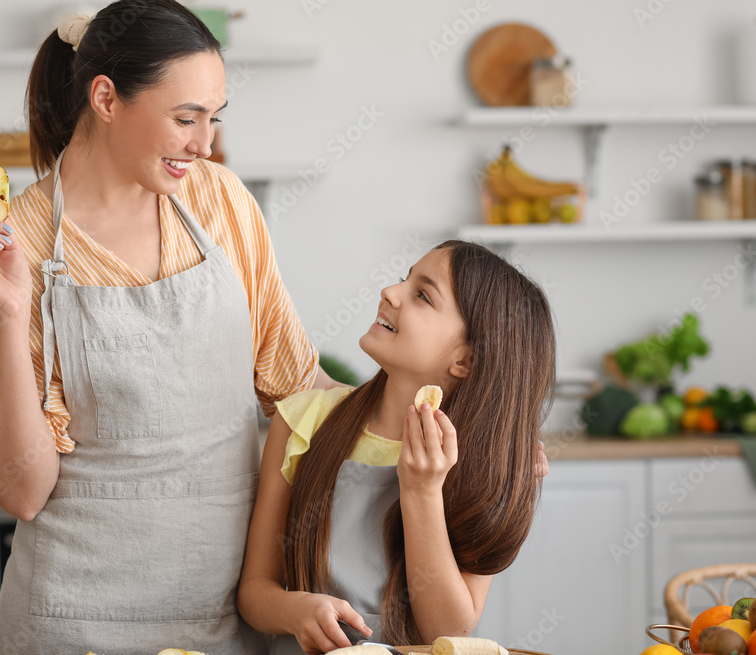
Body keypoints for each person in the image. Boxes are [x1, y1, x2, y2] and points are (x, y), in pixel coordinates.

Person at [0, 0, 346, 654]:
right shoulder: (14, 244)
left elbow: (300, 389)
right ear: (106, 99)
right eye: (185, 118)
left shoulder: (222, 202)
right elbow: (21, 489)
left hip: (224, 619)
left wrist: (466, 435)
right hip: (71, 624)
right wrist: (12, 308)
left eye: (213, 118)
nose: (205, 142)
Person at [237, 240, 556, 654]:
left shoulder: (486, 468)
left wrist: (422, 490)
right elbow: (253, 591)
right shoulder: (302, 422)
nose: (390, 291)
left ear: (465, 360)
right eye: (405, 279)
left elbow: (447, 632)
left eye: (422, 294)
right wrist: (294, 610)